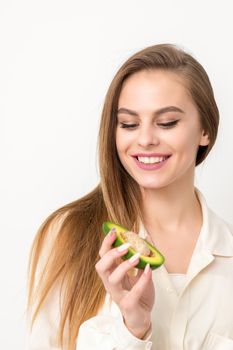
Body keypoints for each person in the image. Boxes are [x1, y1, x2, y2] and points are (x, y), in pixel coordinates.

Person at [27, 43, 233, 350]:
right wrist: (132, 329)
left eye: (167, 123)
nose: (146, 139)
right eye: (128, 124)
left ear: (205, 129)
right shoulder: (67, 234)